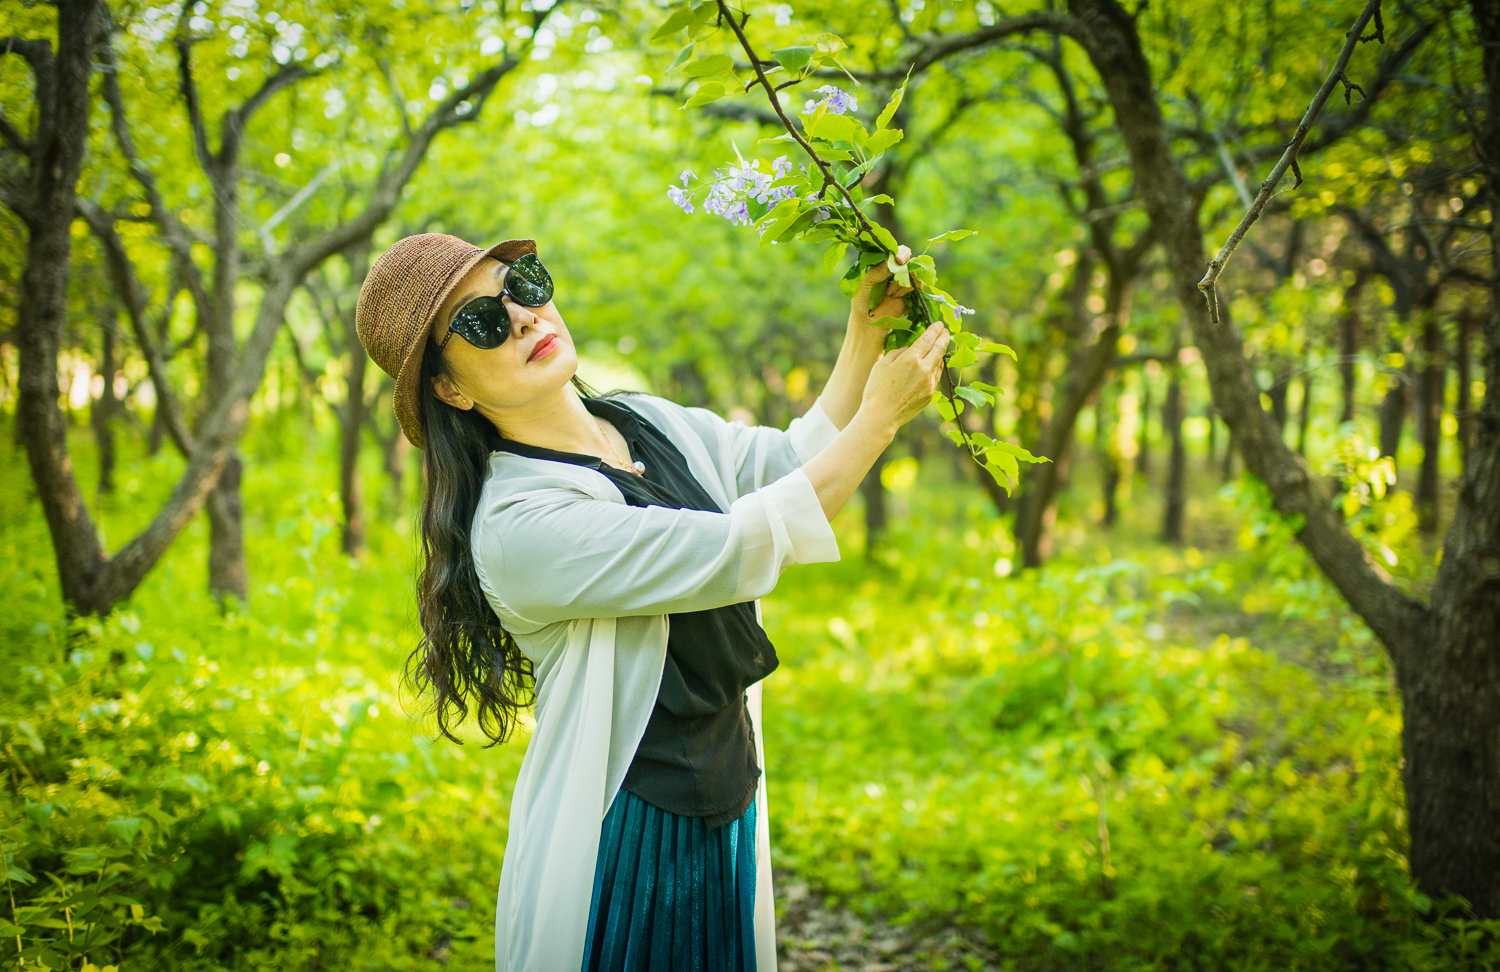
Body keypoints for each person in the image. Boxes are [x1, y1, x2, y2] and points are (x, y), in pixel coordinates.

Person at [354, 233, 949, 972]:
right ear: (450, 389)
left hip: (727, 784)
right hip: (632, 827)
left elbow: (786, 466)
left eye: (525, 284)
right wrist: (880, 420)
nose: (524, 318)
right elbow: (741, 547)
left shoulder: (646, 422)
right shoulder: (521, 522)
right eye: (480, 323)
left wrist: (863, 334)